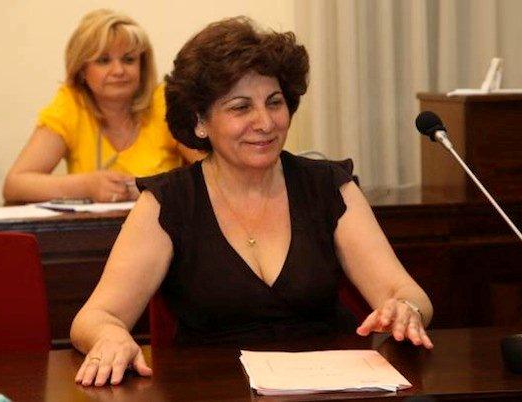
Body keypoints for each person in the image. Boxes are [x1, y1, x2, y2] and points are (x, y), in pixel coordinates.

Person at [71, 16, 434, 387]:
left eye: (274, 103)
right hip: (213, 390)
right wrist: (109, 335)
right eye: (241, 107)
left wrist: (406, 309)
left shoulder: (328, 187)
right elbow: (95, 316)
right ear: (200, 121)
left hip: (331, 389)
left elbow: (407, 293)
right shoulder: (168, 203)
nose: (265, 122)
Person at [3, 9, 202, 204]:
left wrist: (150, 187)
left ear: (142, 66)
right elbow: (15, 185)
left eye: (128, 59)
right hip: (93, 226)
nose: (118, 70)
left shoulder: (163, 101)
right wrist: (86, 186)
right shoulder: (71, 104)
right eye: (103, 61)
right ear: (82, 69)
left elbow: (210, 171)